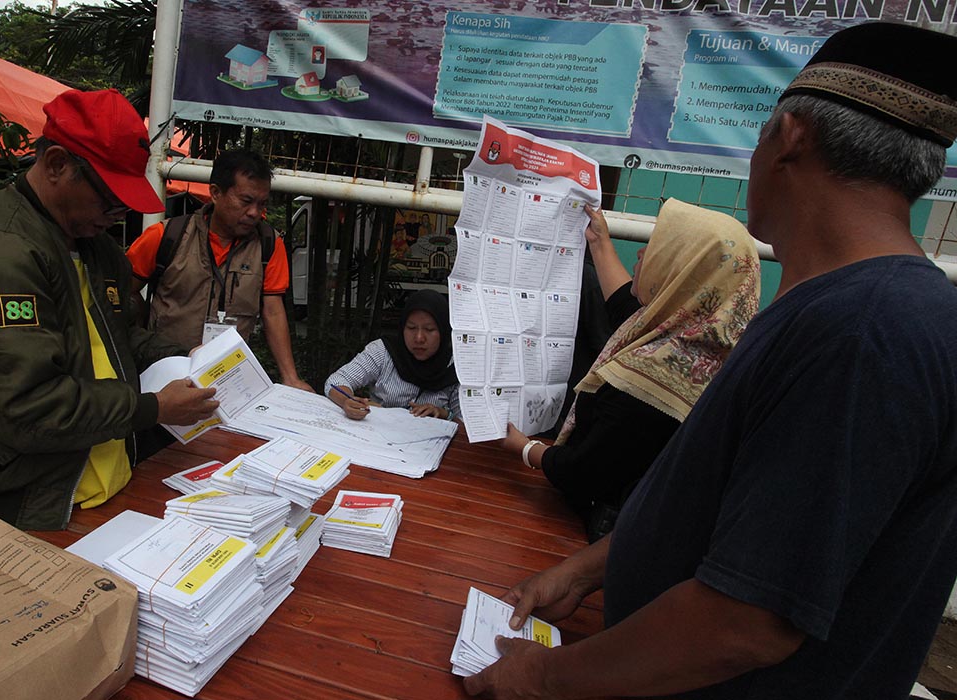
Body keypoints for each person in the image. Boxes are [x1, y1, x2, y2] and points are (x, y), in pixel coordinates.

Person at [465, 22, 957, 700]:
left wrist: (544, 677)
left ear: (790, 138)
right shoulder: (846, 308)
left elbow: (746, 622)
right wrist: (587, 570)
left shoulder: (862, 333)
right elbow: (739, 516)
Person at [0, 89, 219, 531]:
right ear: (56, 165)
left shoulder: (95, 248)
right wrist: (152, 409)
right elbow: (28, 407)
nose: (117, 214)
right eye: (109, 199)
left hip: (97, 494)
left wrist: (185, 355)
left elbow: (116, 336)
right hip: (13, 514)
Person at [501, 199, 760, 542]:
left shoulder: (652, 379)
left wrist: (523, 447)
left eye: (656, 247)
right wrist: (599, 241)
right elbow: (624, 305)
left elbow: (585, 472)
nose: (640, 253)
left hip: (596, 539)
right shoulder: (705, 340)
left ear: (683, 271)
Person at [126, 149, 313, 392]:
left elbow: (273, 311)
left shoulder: (269, 245)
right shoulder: (166, 236)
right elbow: (121, 292)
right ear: (215, 193)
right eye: (246, 201)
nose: (254, 213)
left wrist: (290, 377)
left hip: (228, 379)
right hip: (166, 373)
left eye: (262, 203)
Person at [327, 289, 460, 421]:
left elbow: (467, 422)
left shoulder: (457, 366)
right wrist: (348, 401)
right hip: (377, 429)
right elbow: (336, 381)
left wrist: (443, 414)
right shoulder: (384, 351)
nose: (419, 338)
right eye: (411, 328)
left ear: (444, 331)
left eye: (429, 329)